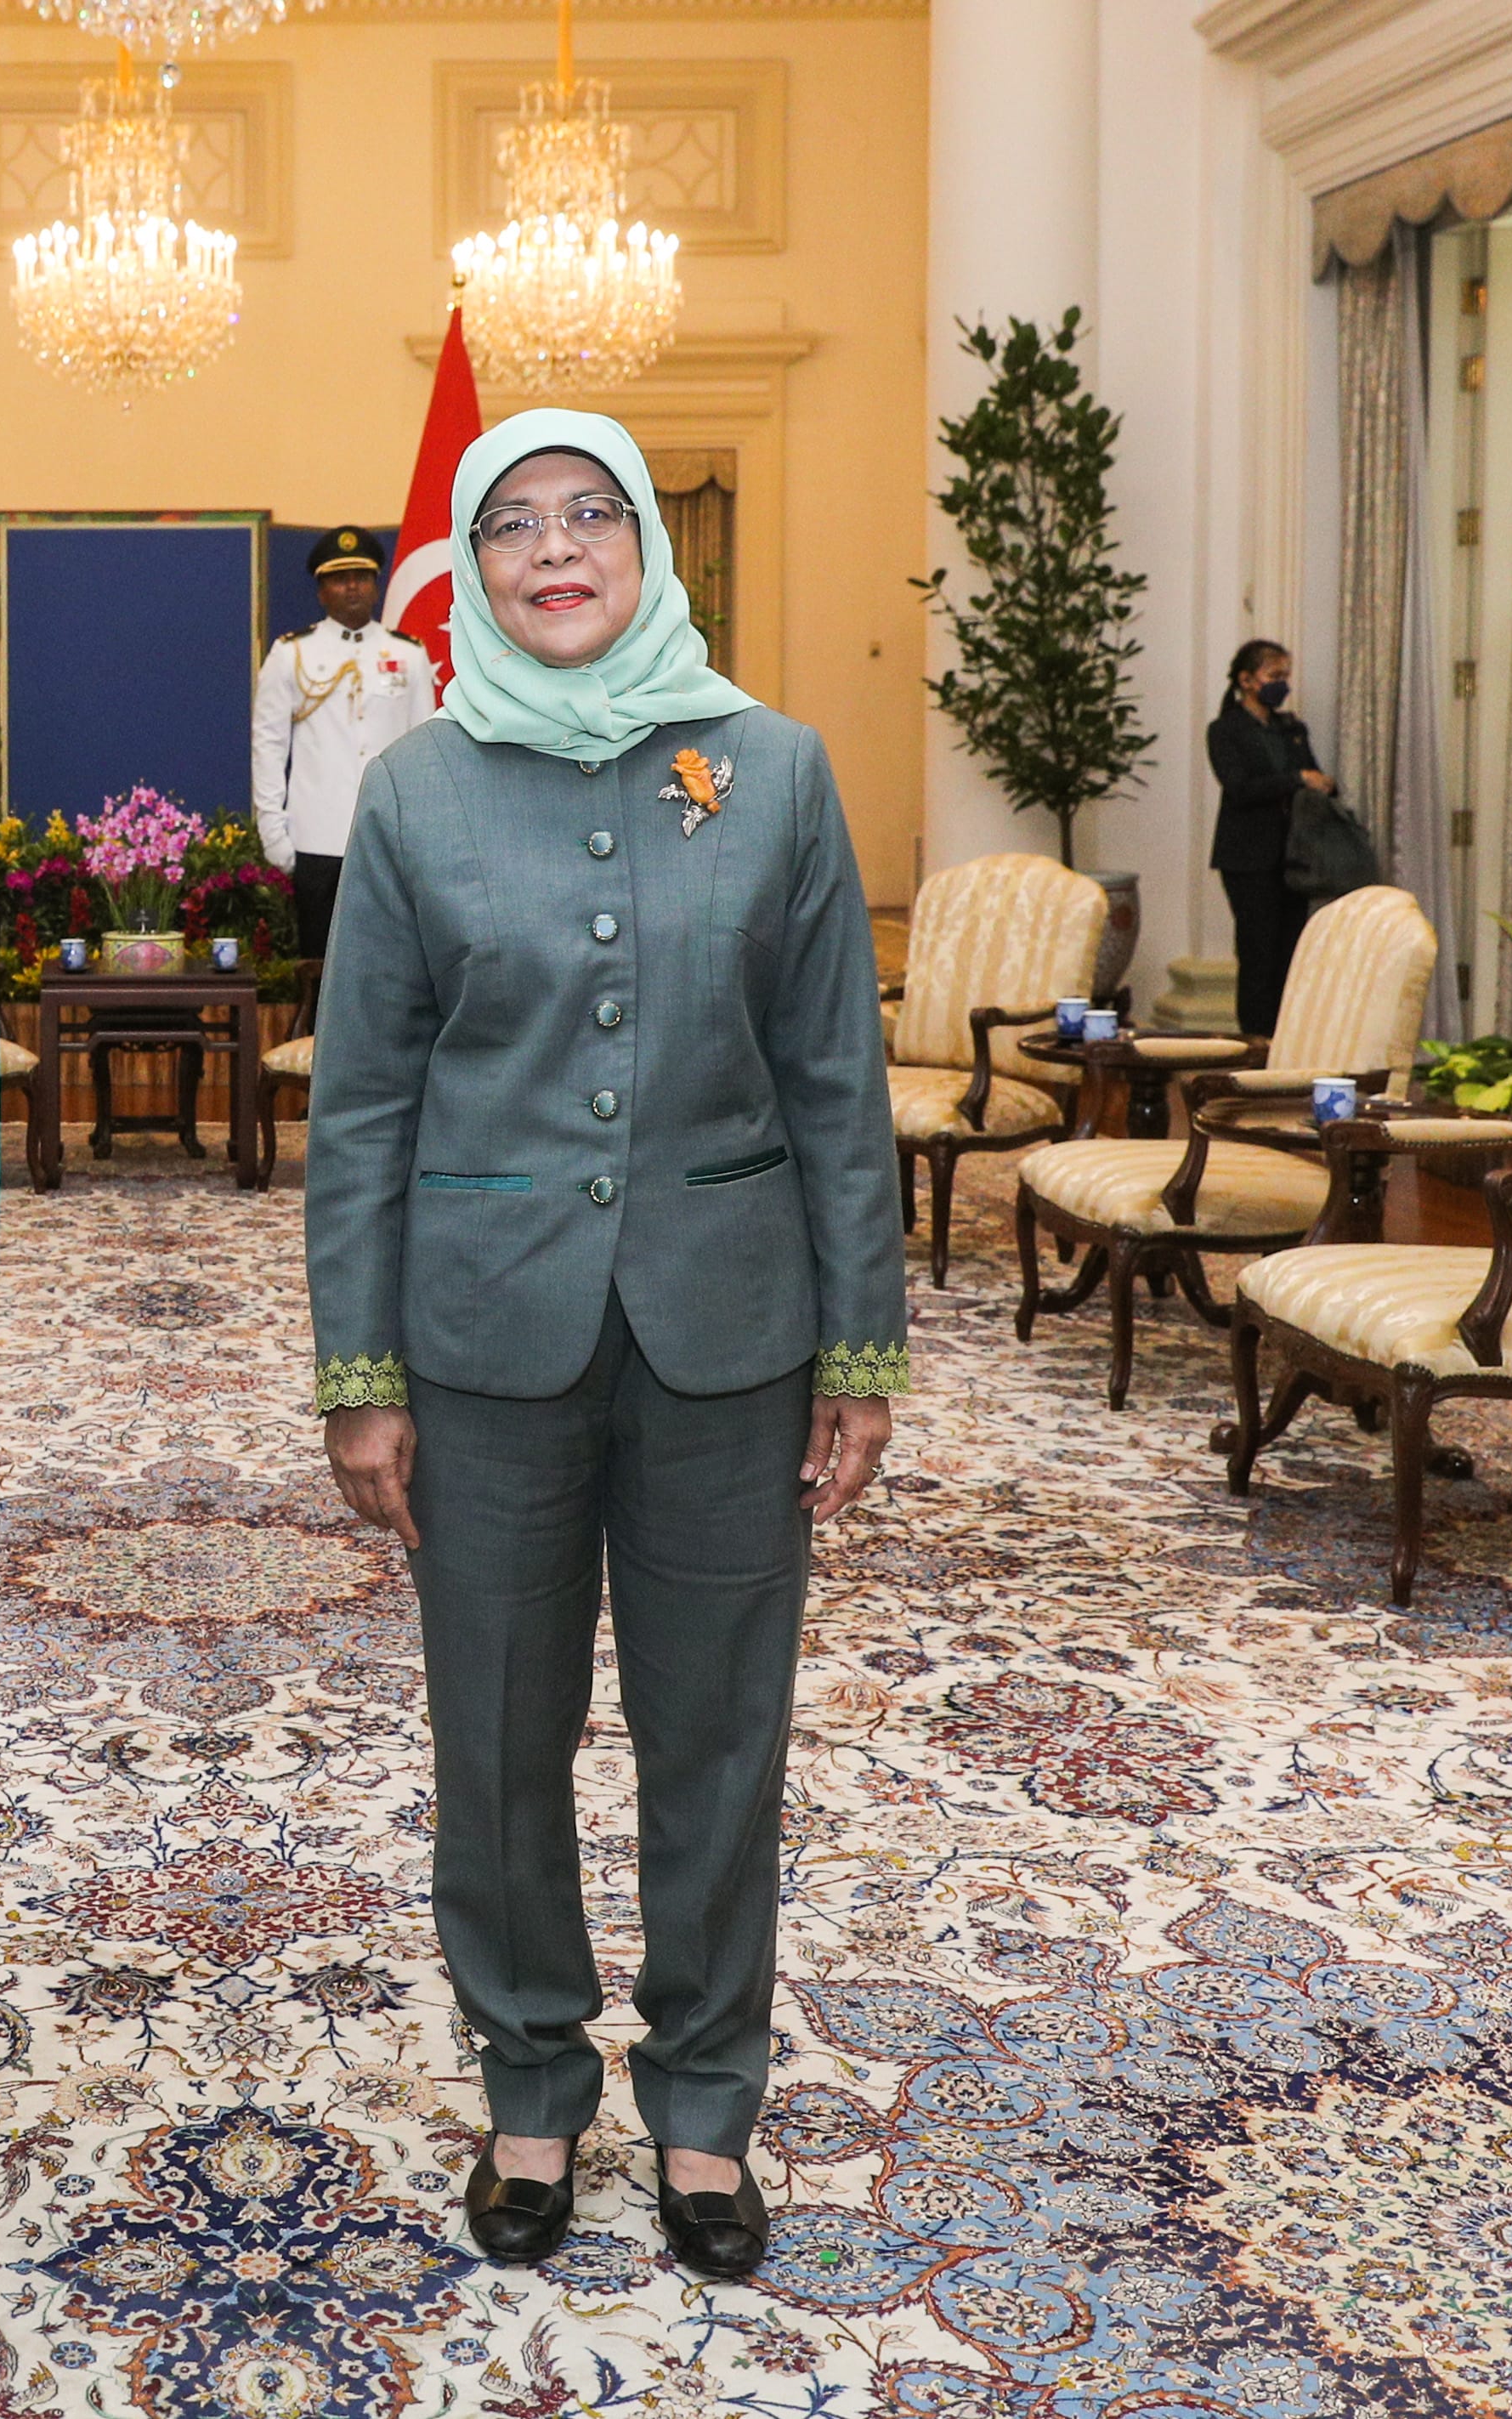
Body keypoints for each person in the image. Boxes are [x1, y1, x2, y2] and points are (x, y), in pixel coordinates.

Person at [305, 410, 905, 2280]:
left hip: (731, 1337)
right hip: (486, 1343)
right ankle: (532, 2081)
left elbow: (836, 1086)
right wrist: (359, 1372)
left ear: (648, 547)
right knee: (495, 1730)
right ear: (469, 574)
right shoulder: (411, 791)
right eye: (513, 527)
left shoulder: (778, 770)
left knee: (715, 1729)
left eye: (589, 517)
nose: (553, 551)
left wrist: (861, 1349)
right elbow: (363, 1113)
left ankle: (708, 2100)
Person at [253, 524, 433, 958]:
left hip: (391, 838)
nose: (352, 586)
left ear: (376, 586)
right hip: (317, 837)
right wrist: (273, 830)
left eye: (362, 576)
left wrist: (424, 831)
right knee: (321, 969)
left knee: (393, 966)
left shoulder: (408, 654)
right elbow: (268, 745)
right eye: (339, 578)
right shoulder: (292, 653)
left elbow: (426, 751)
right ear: (321, 591)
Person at [1205, 639, 1334, 1039]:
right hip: (1247, 858)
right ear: (1246, 680)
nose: (1282, 685)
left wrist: (1321, 784)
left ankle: (1286, 1038)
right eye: (1273, 676)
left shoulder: (1290, 729)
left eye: (1285, 677)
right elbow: (1239, 788)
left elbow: (1314, 775)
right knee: (1258, 952)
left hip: (1293, 855)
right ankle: (1256, 1041)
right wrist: (1294, 780)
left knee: (1290, 953)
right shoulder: (1225, 730)